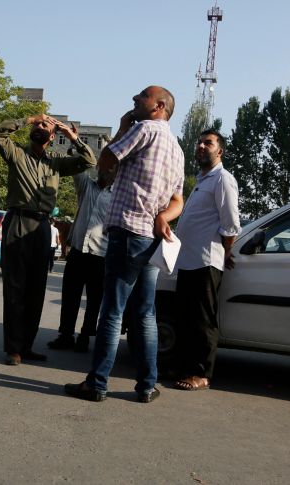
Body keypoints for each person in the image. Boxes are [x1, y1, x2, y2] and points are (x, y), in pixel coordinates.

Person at [65, 85, 184, 403]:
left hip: (128, 232)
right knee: (145, 314)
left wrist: (120, 128)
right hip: (151, 238)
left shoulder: (144, 129)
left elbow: (106, 159)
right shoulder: (176, 146)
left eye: (142, 96)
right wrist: (164, 218)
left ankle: (97, 383)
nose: (134, 99)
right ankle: (147, 386)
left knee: (112, 311)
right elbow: (178, 200)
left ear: (158, 106)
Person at [0, 113, 96, 366]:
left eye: (45, 125)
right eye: (38, 124)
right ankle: (13, 349)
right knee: (15, 288)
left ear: (52, 136)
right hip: (17, 220)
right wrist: (27, 118)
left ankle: (27, 346)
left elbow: (88, 161)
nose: (40, 127)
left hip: (41, 226)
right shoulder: (16, 154)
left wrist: (73, 137)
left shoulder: (58, 161)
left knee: (36, 290)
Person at [172, 129, 240, 391]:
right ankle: (184, 367)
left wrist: (227, 250)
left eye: (208, 143)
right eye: (199, 142)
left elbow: (231, 224)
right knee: (186, 319)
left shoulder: (223, 179)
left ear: (219, 151)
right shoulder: (202, 180)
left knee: (203, 321)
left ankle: (202, 374)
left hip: (206, 261)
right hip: (188, 261)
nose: (201, 146)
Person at [47, 167, 115, 352]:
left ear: (116, 172)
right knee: (70, 296)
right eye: (103, 165)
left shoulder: (116, 196)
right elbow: (77, 169)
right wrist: (75, 142)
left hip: (100, 256)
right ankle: (66, 335)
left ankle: (85, 337)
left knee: (94, 301)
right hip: (77, 252)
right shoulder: (87, 186)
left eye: (110, 167)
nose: (105, 170)